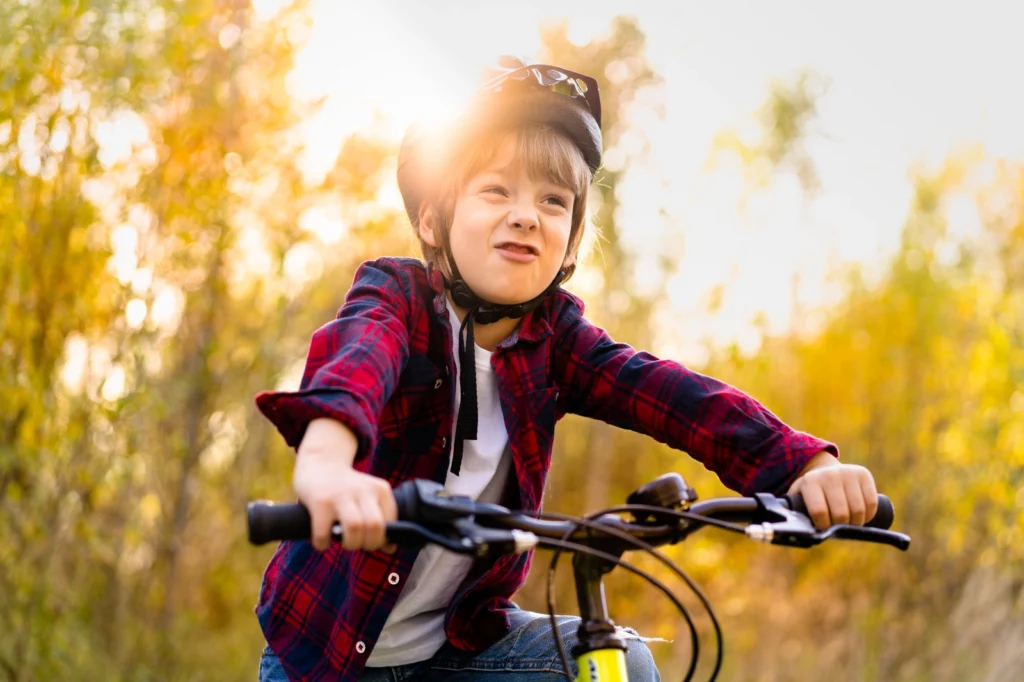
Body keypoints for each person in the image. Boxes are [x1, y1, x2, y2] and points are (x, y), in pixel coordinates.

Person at [253, 56, 878, 682]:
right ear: (432, 220)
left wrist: (805, 463)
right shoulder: (398, 300)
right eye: (496, 190)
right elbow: (357, 362)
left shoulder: (557, 342)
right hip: (323, 652)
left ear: (572, 243)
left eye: (553, 201)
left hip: (459, 652)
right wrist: (327, 467)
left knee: (622, 661)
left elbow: (674, 395)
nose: (527, 214)